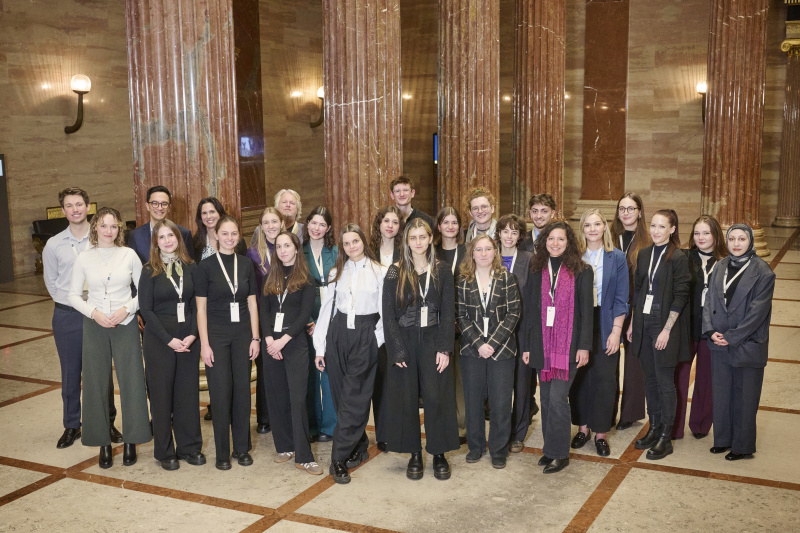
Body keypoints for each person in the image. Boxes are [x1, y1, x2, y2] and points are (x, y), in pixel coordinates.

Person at [68, 207, 150, 468]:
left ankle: (131, 441)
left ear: (119, 230)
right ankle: (102, 443)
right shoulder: (83, 258)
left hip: (124, 323)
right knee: (95, 383)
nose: (109, 231)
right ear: (95, 228)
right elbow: (72, 295)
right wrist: (93, 313)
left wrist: (127, 309)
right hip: (95, 324)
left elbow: (143, 292)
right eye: (104, 226)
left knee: (132, 381)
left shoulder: (128, 255)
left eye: (114, 226)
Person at [43, 188, 122, 449]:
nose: (75, 209)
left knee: (102, 373)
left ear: (88, 207)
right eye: (69, 205)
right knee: (70, 372)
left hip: (99, 313)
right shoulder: (54, 244)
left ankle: (107, 422)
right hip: (68, 315)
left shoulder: (102, 236)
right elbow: (52, 284)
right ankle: (72, 425)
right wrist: (72, 303)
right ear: (63, 210)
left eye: (79, 204)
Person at [312, 224, 388, 484]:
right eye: (346, 243)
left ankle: (338, 458)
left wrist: (374, 341)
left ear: (363, 242)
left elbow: (386, 315)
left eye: (355, 241)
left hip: (365, 335)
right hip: (337, 335)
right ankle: (359, 445)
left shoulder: (380, 272)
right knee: (341, 397)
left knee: (355, 398)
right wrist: (320, 348)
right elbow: (326, 311)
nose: (351, 246)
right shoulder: (337, 271)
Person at [383, 219, 459, 479]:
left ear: (430, 239)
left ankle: (438, 452)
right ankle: (414, 453)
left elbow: (449, 312)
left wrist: (444, 347)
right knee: (407, 398)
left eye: (422, 237)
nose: (417, 242)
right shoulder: (395, 271)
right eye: (412, 237)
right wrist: (397, 350)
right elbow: (388, 315)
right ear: (406, 241)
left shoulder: (443, 270)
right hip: (404, 338)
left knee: (436, 397)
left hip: (433, 338)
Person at [520, 221, 593, 474]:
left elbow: (586, 313)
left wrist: (584, 346)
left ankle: (560, 454)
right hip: (542, 343)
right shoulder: (535, 267)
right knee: (546, 398)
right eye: (551, 238)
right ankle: (549, 449)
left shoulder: (582, 270)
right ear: (544, 241)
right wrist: (528, 346)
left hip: (569, 347)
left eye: (561, 239)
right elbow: (529, 310)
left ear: (569, 242)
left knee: (558, 398)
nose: (555, 243)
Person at [704, 224, 775, 461]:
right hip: (719, 340)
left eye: (742, 239)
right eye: (732, 238)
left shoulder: (763, 272)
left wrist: (732, 337)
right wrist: (711, 330)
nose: (736, 243)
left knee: (745, 396)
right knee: (722, 393)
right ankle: (722, 439)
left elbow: (757, 313)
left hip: (747, 343)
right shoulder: (720, 266)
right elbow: (709, 301)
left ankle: (742, 446)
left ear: (750, 241)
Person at [138, 219, 205, 470]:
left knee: (187, 395)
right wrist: (168, 339)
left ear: (178, 238)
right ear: (156, 242)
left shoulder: (191, 267)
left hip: (187, 336)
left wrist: (193, 334)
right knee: (162, 396)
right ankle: (165, 452)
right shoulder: (149, 270)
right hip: (159, 339)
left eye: (171, 236)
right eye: (162, 237)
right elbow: (146, 308)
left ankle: (190, 447)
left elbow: (197, 305)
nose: (167, 241)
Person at [195, 215, 261, 470]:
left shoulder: (245, 265)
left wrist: (255, 337)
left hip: (243, 334)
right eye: (225, 233)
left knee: (243, 392)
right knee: (221, 393)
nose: (230, 238)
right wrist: (205, 343)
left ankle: (242, 448)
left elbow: (252, 303)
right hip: (217, 336)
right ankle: (222, 452)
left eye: (234, 233)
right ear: (216, 235)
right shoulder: (206, 266)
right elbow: (200, 309)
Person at [627, 209, 690, 460]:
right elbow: (640, 290)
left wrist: (666, 329)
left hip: (665, 326)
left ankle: (666, 436)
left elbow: (681, 295)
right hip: (643, 323)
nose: (655, 231)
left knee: (665, 383)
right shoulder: (643, 254)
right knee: (649, 380)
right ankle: (653, 428)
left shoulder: (678, 258)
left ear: (672, 229)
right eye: (653, 226)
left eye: (662, 227)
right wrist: (633, 323)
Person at [568, 209, 629, 456]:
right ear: (582, 229)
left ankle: (601, 432)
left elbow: (622, 297)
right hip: (579, 321)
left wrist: (616, 332)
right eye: (587, 225)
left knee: (605, 378)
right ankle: (582, 428)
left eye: (597, 224)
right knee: (580, 377)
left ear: (605, 227)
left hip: (606, 319)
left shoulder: (617, 257)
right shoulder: (573, 257)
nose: (592, 229)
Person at [457, 234, 521, 469]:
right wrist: (478, 344)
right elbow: (461, 316)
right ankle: (475, 447)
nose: (483, 254)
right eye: (478, 250)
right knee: (473, 401)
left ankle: (499, 449)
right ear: (471, 253)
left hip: (502, 349)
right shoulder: (463, 281)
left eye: (488, 249)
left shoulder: (507, 278)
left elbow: (514, 313)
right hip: (472, 350)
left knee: (501, 402)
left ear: (495, 252)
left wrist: (492, 343)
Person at [260, 231, 321, 475]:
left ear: (297, 248)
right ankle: (284, 446)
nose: (283, 250)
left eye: (288, 245)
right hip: (271, 345)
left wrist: (282, 341)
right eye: (279, 246)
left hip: (294, 343)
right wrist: (269, 341)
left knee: (297, 399)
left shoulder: (306, 279)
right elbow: (264, 312)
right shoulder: (270, 277)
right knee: (277, 397)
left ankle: (304, 456)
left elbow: (304, 315)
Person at [195, 198, 251, 423]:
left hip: (238, 321)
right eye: (204, 212)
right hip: (212, 316)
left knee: (239, 382)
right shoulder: (197, 244)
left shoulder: (240, 254)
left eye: (213, 211)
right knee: (219, 381)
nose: (209, 215)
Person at [673, 216, 726, 440]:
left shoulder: (725, 262)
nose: (701, 238)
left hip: (711, 330)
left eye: (706, 233)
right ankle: (674, 427)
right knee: (679, 377)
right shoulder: (683, 257)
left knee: (707, 379)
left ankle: (701, 425)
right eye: (697, 233)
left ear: (715, 235)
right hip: (686, 327)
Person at [494, 214, 535, 454]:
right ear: (498, 233)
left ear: (520, 236)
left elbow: (532, 300)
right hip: (494, 331)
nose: (509, 236)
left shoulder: (529, 260)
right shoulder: (488, 256)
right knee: (500, 385)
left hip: (520, 330)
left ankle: (518, 433)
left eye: (514, 232)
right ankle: (500, 431)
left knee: (521, 385)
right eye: (505, 231)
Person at [611, 192, 650, 430]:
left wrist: (635, 318)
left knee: (635, 363)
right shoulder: (610, 237)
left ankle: (630, 413)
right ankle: (607, 410)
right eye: (622, 208)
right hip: (612, 307)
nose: (626, 213)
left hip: (636, 308)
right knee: (608, 359)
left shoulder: (647, 240)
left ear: (639, 211)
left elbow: (646, 284)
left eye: (630, 208)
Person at [302, 207, 338, 443]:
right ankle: (313, 425)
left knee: (331, 372)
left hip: (333, 317)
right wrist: (308, 322)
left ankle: (332, 425)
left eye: (321, 224)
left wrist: (329, 322)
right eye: (313, 223)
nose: (317, 228)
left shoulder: (335, 251)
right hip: (308, 317)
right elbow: (294, 288)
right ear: (307, 224)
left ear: (329, 228)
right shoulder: (298, 252)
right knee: (311, 375)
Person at [433, 206, 467, 428]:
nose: (450, 226)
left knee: (461, 376)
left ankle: (462, 422)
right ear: (438, 226)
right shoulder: (431, 252)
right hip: (436, 321)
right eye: (446, 222)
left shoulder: (467, 251)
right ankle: (444, 422)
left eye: (454, 222)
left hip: (464, 321)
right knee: (440, 374)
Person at [129, 185, 193, 263]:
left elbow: (190, 266)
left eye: (164, 203)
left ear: (169, 207)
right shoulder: (135, 235)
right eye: (154, 203)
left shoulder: (184, 233)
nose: (160, 208)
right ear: (147, 206)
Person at [193, 197, 246, 261]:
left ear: (220, 214)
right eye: (204, 213)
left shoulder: (238, 242)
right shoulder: (195, 243)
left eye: (212, 212)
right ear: (200, 217)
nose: (208, 216)